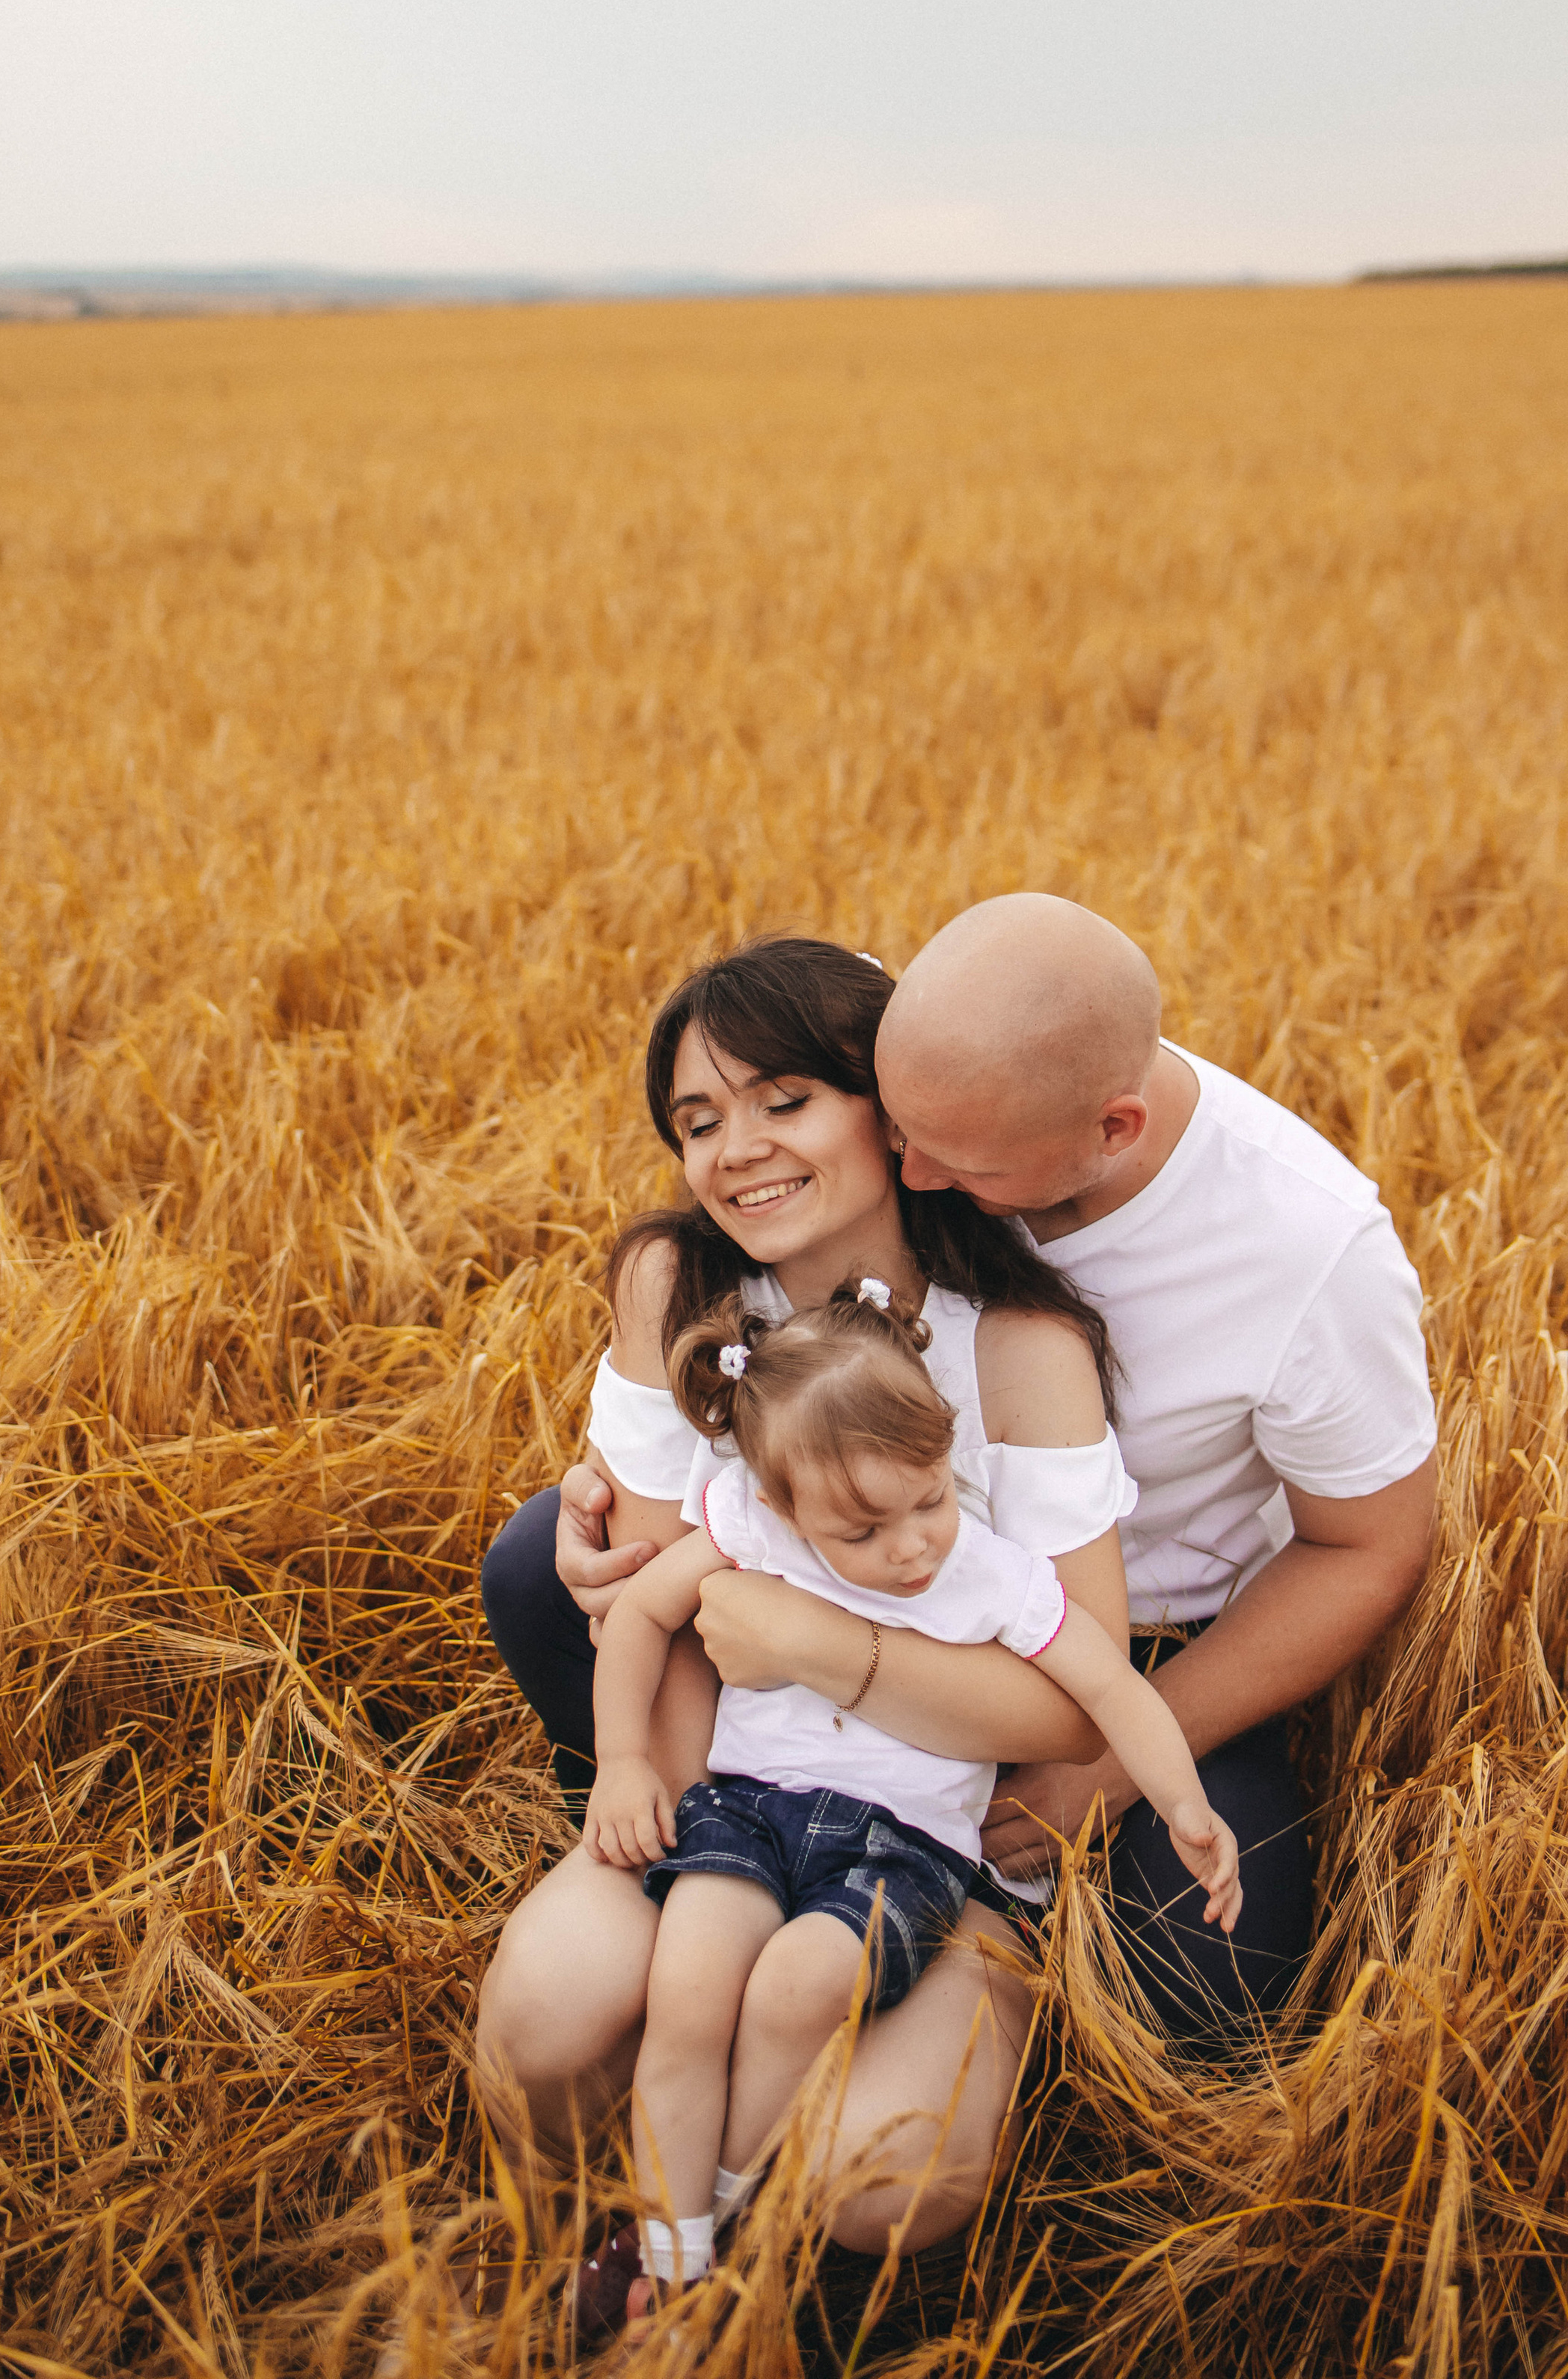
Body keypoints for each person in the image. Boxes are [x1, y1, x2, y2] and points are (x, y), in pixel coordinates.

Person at [476, 936, 1142, 2276]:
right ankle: (653, 2240)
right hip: (733, 1801)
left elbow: (1071, 1713)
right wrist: (657, 1817)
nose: (739, 1151)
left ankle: (747, 2237)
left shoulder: (1018, 1346)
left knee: (879, 2185)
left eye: (785, 1101)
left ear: (891, 1115)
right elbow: (658, 1600)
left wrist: (829, 1650)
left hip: (948, 1852)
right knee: (540, 2035)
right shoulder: (681, 1290)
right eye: (699, 1119)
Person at [588, 1279, 1238, 2318]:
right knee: (690, 1987)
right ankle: (663, 2252)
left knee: (796, 1987)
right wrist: (624, 1761)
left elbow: (1111, 1686)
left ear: (947, 1460)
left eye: (930, 1499)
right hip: (750, 1809)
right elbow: (639, 1618)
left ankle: (725, 2214)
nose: (911, 1547)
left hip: (897, 1852)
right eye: (864, 1531)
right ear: (779, 1503)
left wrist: (1184, 1804)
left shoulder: (985, 1575)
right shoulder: (754, 1531)